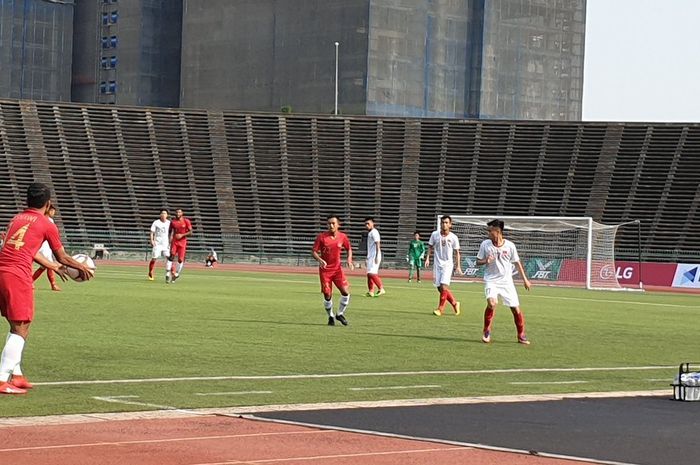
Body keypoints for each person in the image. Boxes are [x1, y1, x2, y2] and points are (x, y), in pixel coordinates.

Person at [0, 183, 94, 394]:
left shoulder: (16, 219)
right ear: (48, 203)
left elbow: (24, 249)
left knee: (18, 326)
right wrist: (82, 267)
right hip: (17, 274)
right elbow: (62, 256)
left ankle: (16, 374)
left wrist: (51, 266)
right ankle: (1, 378)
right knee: (21, 326)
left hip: (3, 271)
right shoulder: (46, 223)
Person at [476, 219, 532, 345]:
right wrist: (486, 261)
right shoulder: (485, 244)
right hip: (491, 280)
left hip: (507, 282)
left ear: (498, 231)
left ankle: (521, 335)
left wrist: (525, 280)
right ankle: (486, 330)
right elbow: (477, 261)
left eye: (490, 231)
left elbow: (517, 263)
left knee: (515, 309)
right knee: (492, 303)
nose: (488, 233)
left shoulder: (510, 246)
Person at [311, 214, 354, 326]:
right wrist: (320, 260)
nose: (331, 225)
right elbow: (314, 252)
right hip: (325, 271)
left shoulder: (342, 237)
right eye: (329, 223)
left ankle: (339, 314)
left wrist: (349, 260)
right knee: (327, 295)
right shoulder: (321, 237)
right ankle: (330, 316)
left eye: (333, 223)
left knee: (345, 292)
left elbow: (349, 248)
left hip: (337, 270)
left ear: (338, 225)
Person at [425, 215, 462, 316]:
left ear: (450, 225)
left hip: (448, 264)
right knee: (439, 288)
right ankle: (454, 303)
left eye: (446, 222)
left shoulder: (454, 237)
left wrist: (458, 266)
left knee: (443, 286)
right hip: (437, 264)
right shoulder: (435, 235)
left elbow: (457, 252)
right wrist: (427, 258)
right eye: (442, 222)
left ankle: (440, 309)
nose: (444, 224)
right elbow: (430, 246)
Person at [31, 205, 61, 291]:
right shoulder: (45, 219)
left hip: (45, 245)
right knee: (49, 265)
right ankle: (53, 284)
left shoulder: (48, 219)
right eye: (52, 211)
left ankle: (31, 281)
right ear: (48, 210)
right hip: (43, 245)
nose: (53, 213)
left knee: (43, 267)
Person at [165, 209, 192, 284]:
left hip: (183, 242)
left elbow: (190, 232)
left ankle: (176, 274)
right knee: (171, 256)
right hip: (174, 242)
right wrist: (169, 239)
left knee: (180, 259)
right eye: (176, 212)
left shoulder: (186, 221)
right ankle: (167, 273)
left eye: (179, 212)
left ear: (182, 213)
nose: (178, 213)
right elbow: (170, 231)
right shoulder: (173, 222)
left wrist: (182, 235)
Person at [364, 217, 385, 297]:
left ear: (373, 224)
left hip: (375, 255)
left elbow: (377, 244)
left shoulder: (374, 232)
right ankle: (371, 291)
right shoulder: (370, 233)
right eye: (365, 224)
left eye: (368, 223)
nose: (367, 225)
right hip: (371, 256)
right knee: (369, 274)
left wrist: (376, 255)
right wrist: (367, 257)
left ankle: (381, 288)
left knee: (371, 273)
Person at [148, 209, 170, 281]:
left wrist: (171, 242)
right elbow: (152, 232)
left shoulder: (169, 223)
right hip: (157, 243)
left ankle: (171, 272)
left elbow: (172, 232)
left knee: (169, 258)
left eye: (165, 213)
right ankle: (150, 271)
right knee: (154, 258)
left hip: (165, 244)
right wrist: (151, 240)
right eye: (162, 213)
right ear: (160, 215)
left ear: (167, 215)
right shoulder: (156, 222)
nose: (163, 215)